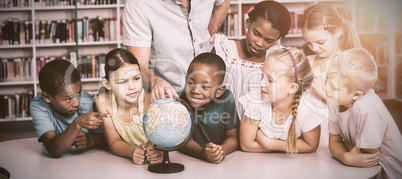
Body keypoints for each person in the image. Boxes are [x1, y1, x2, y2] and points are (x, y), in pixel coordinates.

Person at [122, 0, 230, 100]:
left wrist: (210, 32)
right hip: (169, 97)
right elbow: (138, 66)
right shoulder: (138, 4)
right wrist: (156, 81)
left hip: (209, 94)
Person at [325, 48, 402, 179]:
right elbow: (334, 142)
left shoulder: (366, 109)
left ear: (356, 95)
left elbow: (367, 159)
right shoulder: (334, 100)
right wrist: (345, 156)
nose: (325, 88)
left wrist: (344, 149)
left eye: (334, 87)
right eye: (326, 79)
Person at [213, 0, 291, 119]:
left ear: (277, 39)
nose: (259, 43)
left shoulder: (276, 59)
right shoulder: (224, 50)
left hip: (258, 127)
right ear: (248, 22)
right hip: (220, 124)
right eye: (256, 33)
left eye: (269, 41)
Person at [300, 3, 362, 146]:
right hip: (308, 137)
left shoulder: (351, 64)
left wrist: (325, 93)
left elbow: (357, 107)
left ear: (338, 32)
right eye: (308, 43)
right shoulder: (306, 63)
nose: (314, 48)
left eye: (320, 42)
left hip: (336, 138)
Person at [239, 48, 323, 153]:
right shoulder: (256, 99)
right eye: (262, 75)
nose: (261, 83)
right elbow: (246, 144)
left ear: (292, 88)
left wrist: (269, 144)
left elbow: (311, 145)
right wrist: (290, 146)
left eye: (270, 80)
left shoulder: (307, 107)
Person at [95, 48, 163, 165]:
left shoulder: (151, 100)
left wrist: (159, 150)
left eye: (136, 78)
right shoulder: (103, 102)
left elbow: (164, 136)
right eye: (123, 82)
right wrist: (132, 151)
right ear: (107, 84)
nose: (132, 87)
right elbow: (114, 141)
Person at [30, 60, 108, 158]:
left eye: (79, 93)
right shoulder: (38, 106)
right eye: (68, 99)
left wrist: (91, 140)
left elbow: (109, 139)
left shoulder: (88, 101)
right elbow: (54, 149)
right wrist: (77, 123)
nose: (76, 103)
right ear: (47, 98)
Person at [179, 53, 239, 164]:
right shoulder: (181, 101)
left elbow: (234, 137)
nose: (195, 90)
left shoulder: (226, 99)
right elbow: (184, 141)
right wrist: (202, 153)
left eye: (205, 86)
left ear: (219, 91)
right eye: (191, 83)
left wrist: (222, 150)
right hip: (190, 162)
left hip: (225, 165)